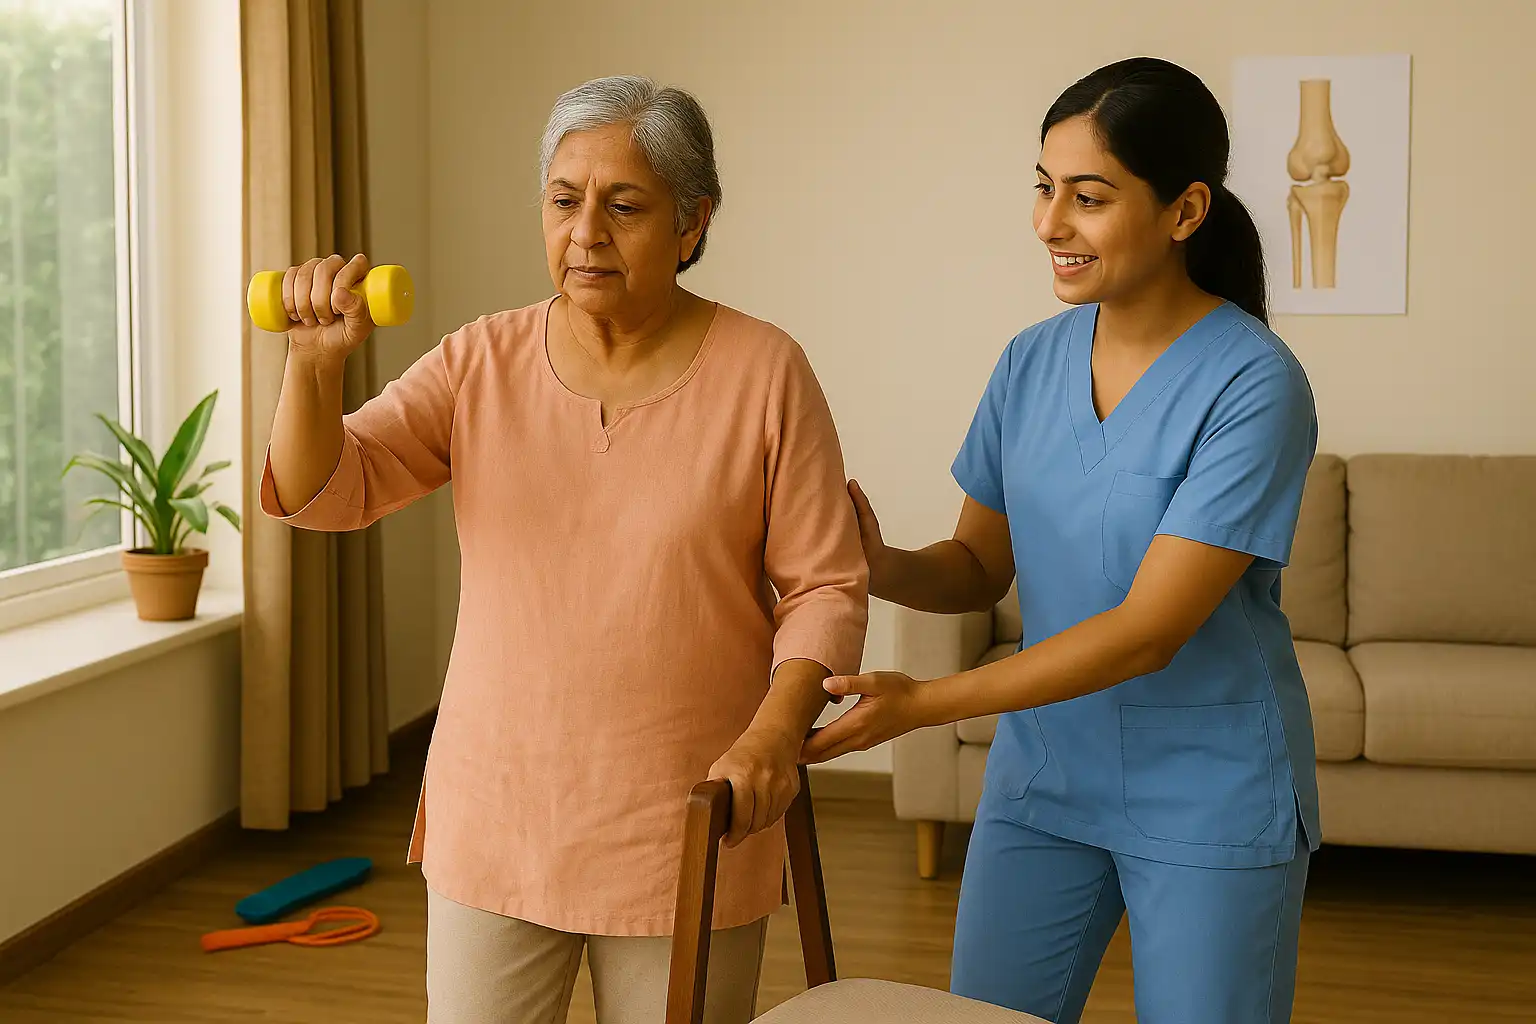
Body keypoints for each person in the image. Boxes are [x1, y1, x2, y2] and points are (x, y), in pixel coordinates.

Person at [262, 76, 868, 1023]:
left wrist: (773, 735)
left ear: (692, 222)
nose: (585, 232)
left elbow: (826, 586)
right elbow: (324, 493)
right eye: (562, 200)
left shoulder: (766, 371)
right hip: (498, 815)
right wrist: (312, 368)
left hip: (686, 817)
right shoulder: (479, 360)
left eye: (624, 206)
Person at [802, 57, 1319, 1024]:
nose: (1049, 223)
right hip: (1043, 778)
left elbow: (1147, 632)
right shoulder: (1028, 364)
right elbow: (978, 567)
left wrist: (922, 704)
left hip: (1206, 785)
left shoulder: (1254, 383)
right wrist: (879, 567)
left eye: (1089, 197)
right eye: (1044, 188)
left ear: (1184, 210)